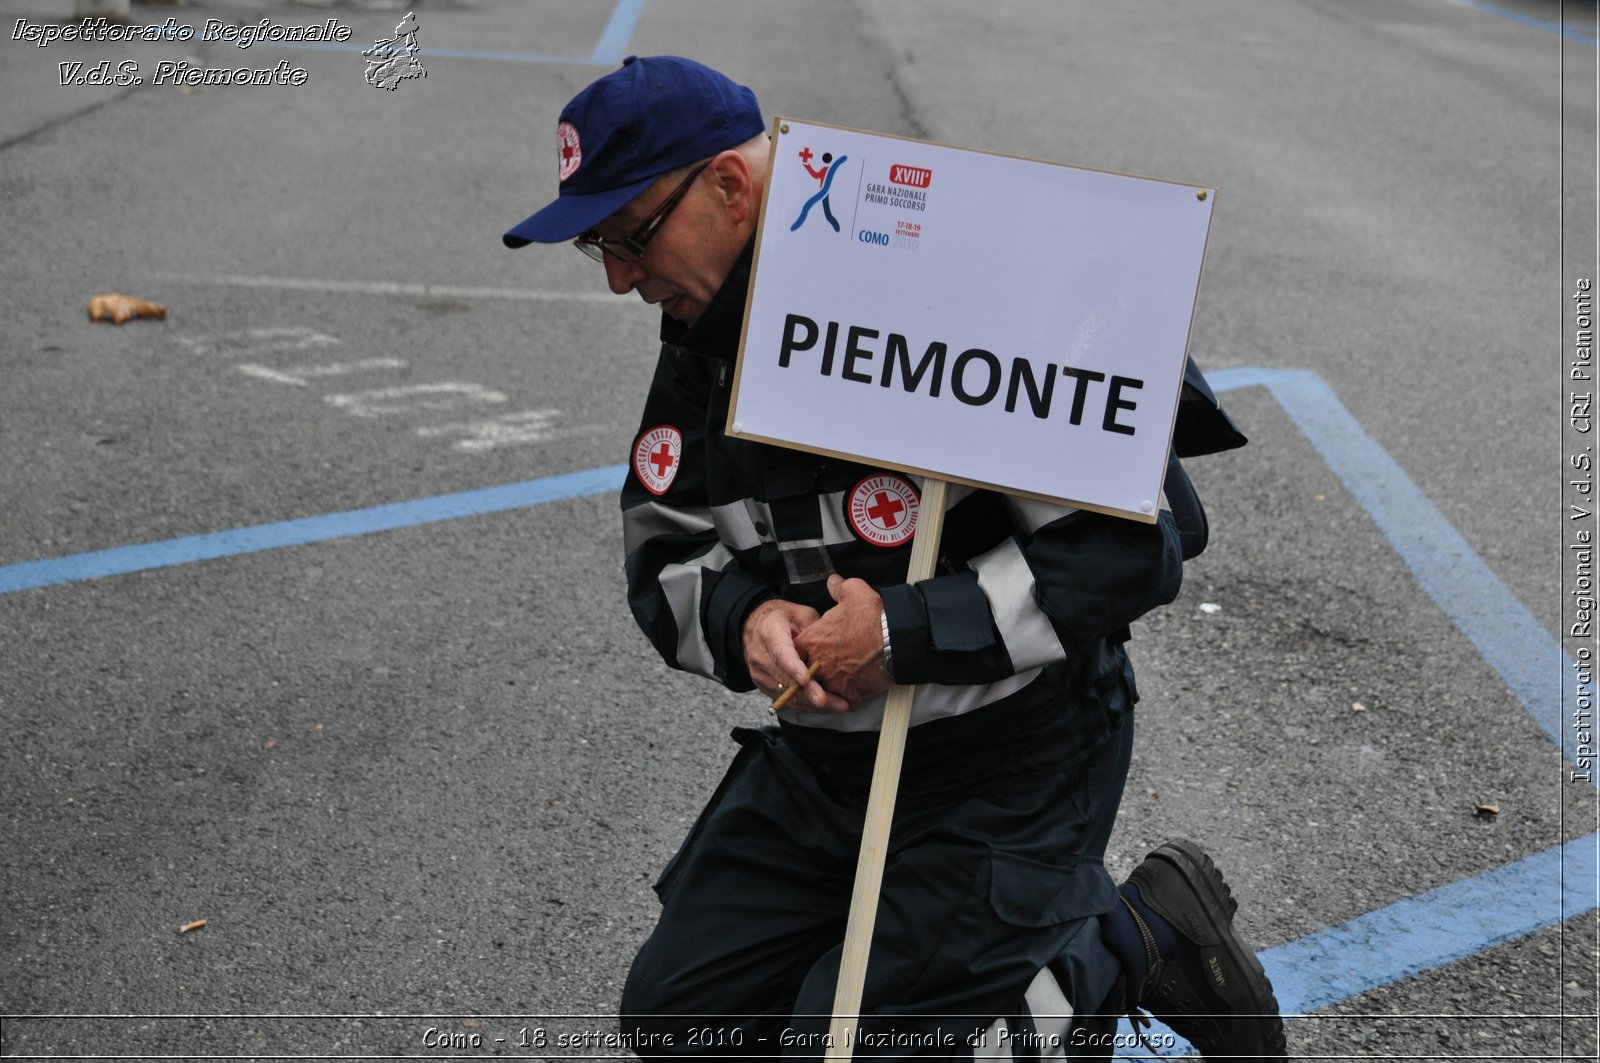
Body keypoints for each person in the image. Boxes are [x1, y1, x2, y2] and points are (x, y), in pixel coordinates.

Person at [503, 55, 1286, 1062]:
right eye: (597, 248)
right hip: (829, 769)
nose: (617, 276)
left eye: (627, 236)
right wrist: (747, 620)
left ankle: (1128, 941)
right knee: (677, 1022)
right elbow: (663, 539)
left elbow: (1127, 553)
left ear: (730, 188)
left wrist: (899, 632)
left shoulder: (951, 286)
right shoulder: (699, 321)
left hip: (1009, 761)